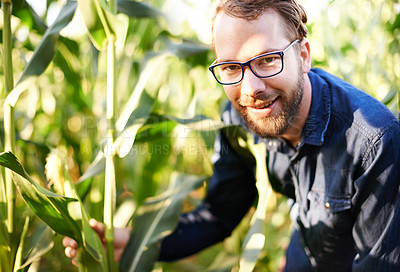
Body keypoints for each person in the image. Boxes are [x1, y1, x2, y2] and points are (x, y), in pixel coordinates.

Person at [64, 0, 400, 270]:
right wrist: (136, 242)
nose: (251, 89)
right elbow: (219, 214)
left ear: (303, 55)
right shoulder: (240, 120)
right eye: (230, 68)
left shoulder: (374, 143)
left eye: (268, 60)